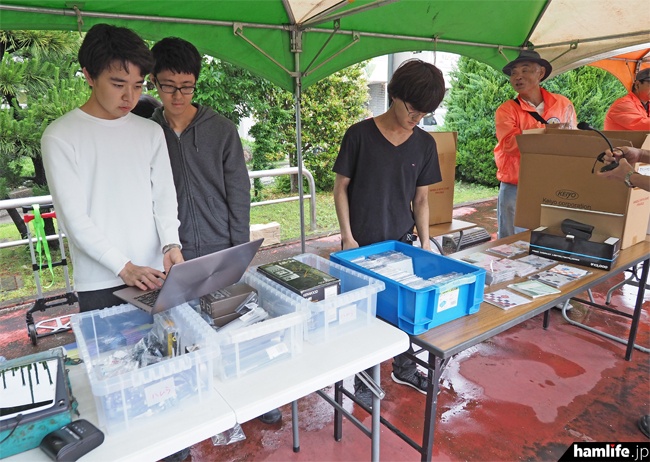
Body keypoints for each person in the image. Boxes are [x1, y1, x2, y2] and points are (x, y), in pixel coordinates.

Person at [149, 37, 281, 426]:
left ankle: (254, 397)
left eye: (186, 86)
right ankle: (188, 411)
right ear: (154, 82)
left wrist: (239, 251)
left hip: (221, 245)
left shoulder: (221, 130)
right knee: (178, 331)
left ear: (196, 83)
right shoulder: (147, 132)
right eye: (168, 86)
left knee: (235, 323)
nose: (177, 96)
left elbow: (239, 193)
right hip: (171, 251)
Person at [41, 23, 183, 313]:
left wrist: (171, 243)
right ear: (89, 75)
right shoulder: (60, 135)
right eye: (118, 84)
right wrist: (123, 266)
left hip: (155, 270)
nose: (129, 96)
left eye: (138, 85)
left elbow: (164, 197)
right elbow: (73, 218)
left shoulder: (150, 132)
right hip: (101, 280)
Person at [333, 59, 445, 407]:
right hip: (360, 244)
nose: (417, 118)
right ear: (395, 94)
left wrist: (424, 243)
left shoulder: (424, 144)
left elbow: (421, 199)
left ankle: (404, 368)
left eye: (425, 113)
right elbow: (340, 188)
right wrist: (347, 237)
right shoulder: (359, 135)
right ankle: (365, 380)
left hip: (401, 245)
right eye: (413, 109)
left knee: (403, 311)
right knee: (365, 315)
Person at [493, 49, 577, 239]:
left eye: (525, 70)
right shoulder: (506, 110)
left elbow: (572, 140)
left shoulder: (563, 104)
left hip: (553, 184)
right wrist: (548, 132)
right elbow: (509, 144)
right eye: (514, 72)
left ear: (541, 73)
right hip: (516, 186)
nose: (518, 77)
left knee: (550, 238)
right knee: (511, 242)